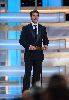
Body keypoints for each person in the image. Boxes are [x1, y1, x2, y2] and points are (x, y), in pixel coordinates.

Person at [19, 10, 49, 93]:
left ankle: (36, 91)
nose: (35, 17)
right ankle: (25, 91)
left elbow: (45, 39)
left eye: (37, 15)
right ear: (31, 17)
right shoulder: (25, 28)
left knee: (37, 74)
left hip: (39, 54)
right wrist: (29, 46)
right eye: (33, 15)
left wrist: (46, 44)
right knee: (27, 73)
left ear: (38, 17)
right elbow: (21, 40)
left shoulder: (42, 28)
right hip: (29, 54)